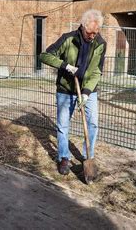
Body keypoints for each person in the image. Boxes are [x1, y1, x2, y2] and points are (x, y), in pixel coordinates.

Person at [40, 9, 106, 175]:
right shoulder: (68, 39)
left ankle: (87, 156)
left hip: (88, 91)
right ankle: (63, 157)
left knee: (92, 123)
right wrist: (66, 66)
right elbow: (45, 56)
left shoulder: (100, 43)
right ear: (83, 27)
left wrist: (86, 92)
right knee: (63, 124)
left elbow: (97, 71)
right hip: (66, 89)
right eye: (90, 32)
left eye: (96, 33)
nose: (92, 36)